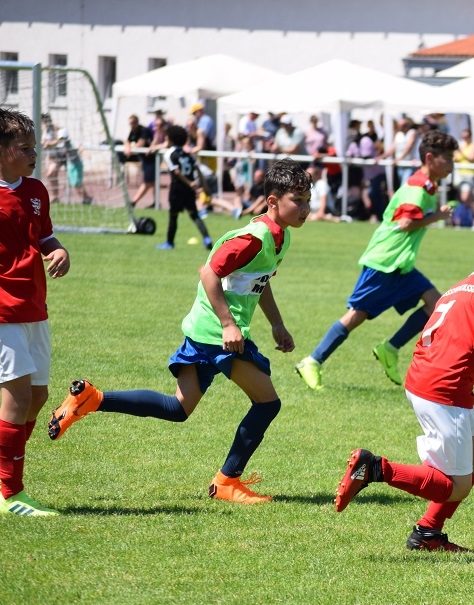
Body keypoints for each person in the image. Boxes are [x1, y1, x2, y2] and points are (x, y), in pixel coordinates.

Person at [47, 159, 312, 504]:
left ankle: (93, 399)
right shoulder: (253, 238)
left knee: (178, 409)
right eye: (298, 200)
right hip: (217, 335)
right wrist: (229, 324)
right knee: (267, 403)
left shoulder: (281, 237)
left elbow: (258, 282)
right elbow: (208, 273)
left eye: (308, 200)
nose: (305, 208)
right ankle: (227, 482)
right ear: (272, 201)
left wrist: (277, 324)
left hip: (206, 332)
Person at [333, 225, 474, 551]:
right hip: (444, 388)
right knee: (456, 486)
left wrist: (468, 406)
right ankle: (374, 468)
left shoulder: (459, 287)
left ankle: (428, 533)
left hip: (427, 377)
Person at [294, 129, 457, 390]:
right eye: (447, 158)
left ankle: (389, 349)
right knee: (356, 316)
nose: (452, 163)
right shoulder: (417, 188)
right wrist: (437, 216)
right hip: (385, 260)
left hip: (401, 264)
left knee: (436, 304)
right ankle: (312, 361)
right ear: (429, 158)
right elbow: (406, 223)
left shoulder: (427, 186)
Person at [0, 107, 72, 516]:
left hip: (35, 307)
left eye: (34, 147)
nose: (34, 155)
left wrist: (58, 250)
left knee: (39, 395)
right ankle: (10, 493)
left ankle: (3, 470)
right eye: (25, 148)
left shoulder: (36, 190)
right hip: (3, 310)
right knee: (18, 395)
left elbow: (45, 236)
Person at [159, 124, 213, 250]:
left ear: (171, 139)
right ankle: (207, 238)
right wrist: (204, 186)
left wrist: (190, 183)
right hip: (189, 190)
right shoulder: (187, 154)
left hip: (177, 189)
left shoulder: (170, 154)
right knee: (194, 215)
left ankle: (169, 243)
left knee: (173, 215)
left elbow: (177, 172)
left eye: (166, 138)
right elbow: (197, 169)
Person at [123, 114, 157, 208]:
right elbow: (127, 141)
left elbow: (141, 144)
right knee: (153, 182)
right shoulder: (133, 131)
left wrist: (131, 149)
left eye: (133, 123)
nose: (132, 125)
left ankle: (134, 202)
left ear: (137, 122)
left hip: (151, 159)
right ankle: (156, 203)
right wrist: (128, 147)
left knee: (148, 182)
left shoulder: (143, 130)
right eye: (130, 123)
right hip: (144, 160)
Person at [55, 129, 92, 205]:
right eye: (61, 138)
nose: (63, 140)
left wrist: (86, 154)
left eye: (64, 138)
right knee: (74, 184)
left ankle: (86, 198)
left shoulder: (72, 143)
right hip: (70, 165)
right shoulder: (60, 145)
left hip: (76, 164)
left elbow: (80, 148)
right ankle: (85, 198)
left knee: (77, 183)